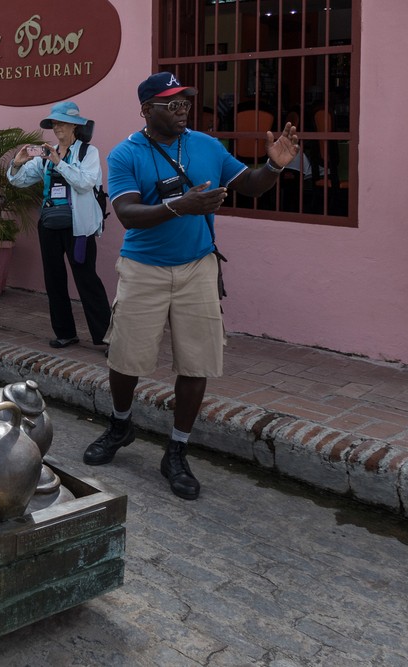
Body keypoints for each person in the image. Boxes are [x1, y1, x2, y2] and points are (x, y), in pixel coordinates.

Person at [84, 72, 299, 500]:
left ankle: (177, 450)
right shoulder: (127, 153)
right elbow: (126, 212)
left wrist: (273, 165)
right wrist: (181, 206)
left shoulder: (206, 145)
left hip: (197, 267)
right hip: (143, 266)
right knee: (126, 358)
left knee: (196, 363)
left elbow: (250, 187)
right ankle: (121, 424)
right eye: (172, 104)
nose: (183, 110)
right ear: (147, 110)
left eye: (186, 103)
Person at [7, 101, 111, 349]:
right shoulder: (46, 153)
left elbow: (85, 183)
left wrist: (59, 163)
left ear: (76, 126)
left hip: (79, 227)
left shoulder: (88, 153)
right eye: (55, 123)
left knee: (87, 280)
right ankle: (65, 332)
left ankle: (106, 338)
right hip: (50, 223)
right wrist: (18, 162)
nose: (58, 127)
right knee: (54, 279)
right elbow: (19, 181)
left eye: (63, 122)